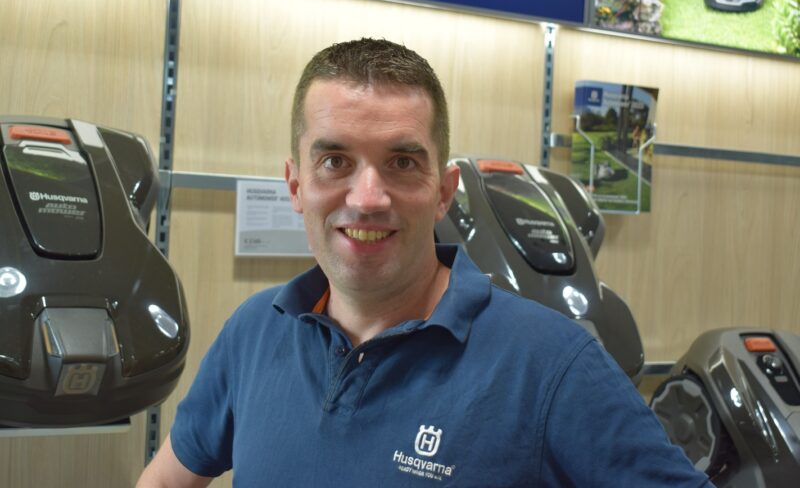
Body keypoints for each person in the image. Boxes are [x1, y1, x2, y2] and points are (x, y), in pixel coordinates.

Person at [138, 38, 712, 487]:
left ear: (444, 191)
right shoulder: (254, 332)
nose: (367, 198)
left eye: (402, 163)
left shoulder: (552, 366)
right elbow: (166, 479)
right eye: (335, 161)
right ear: (295, 185)